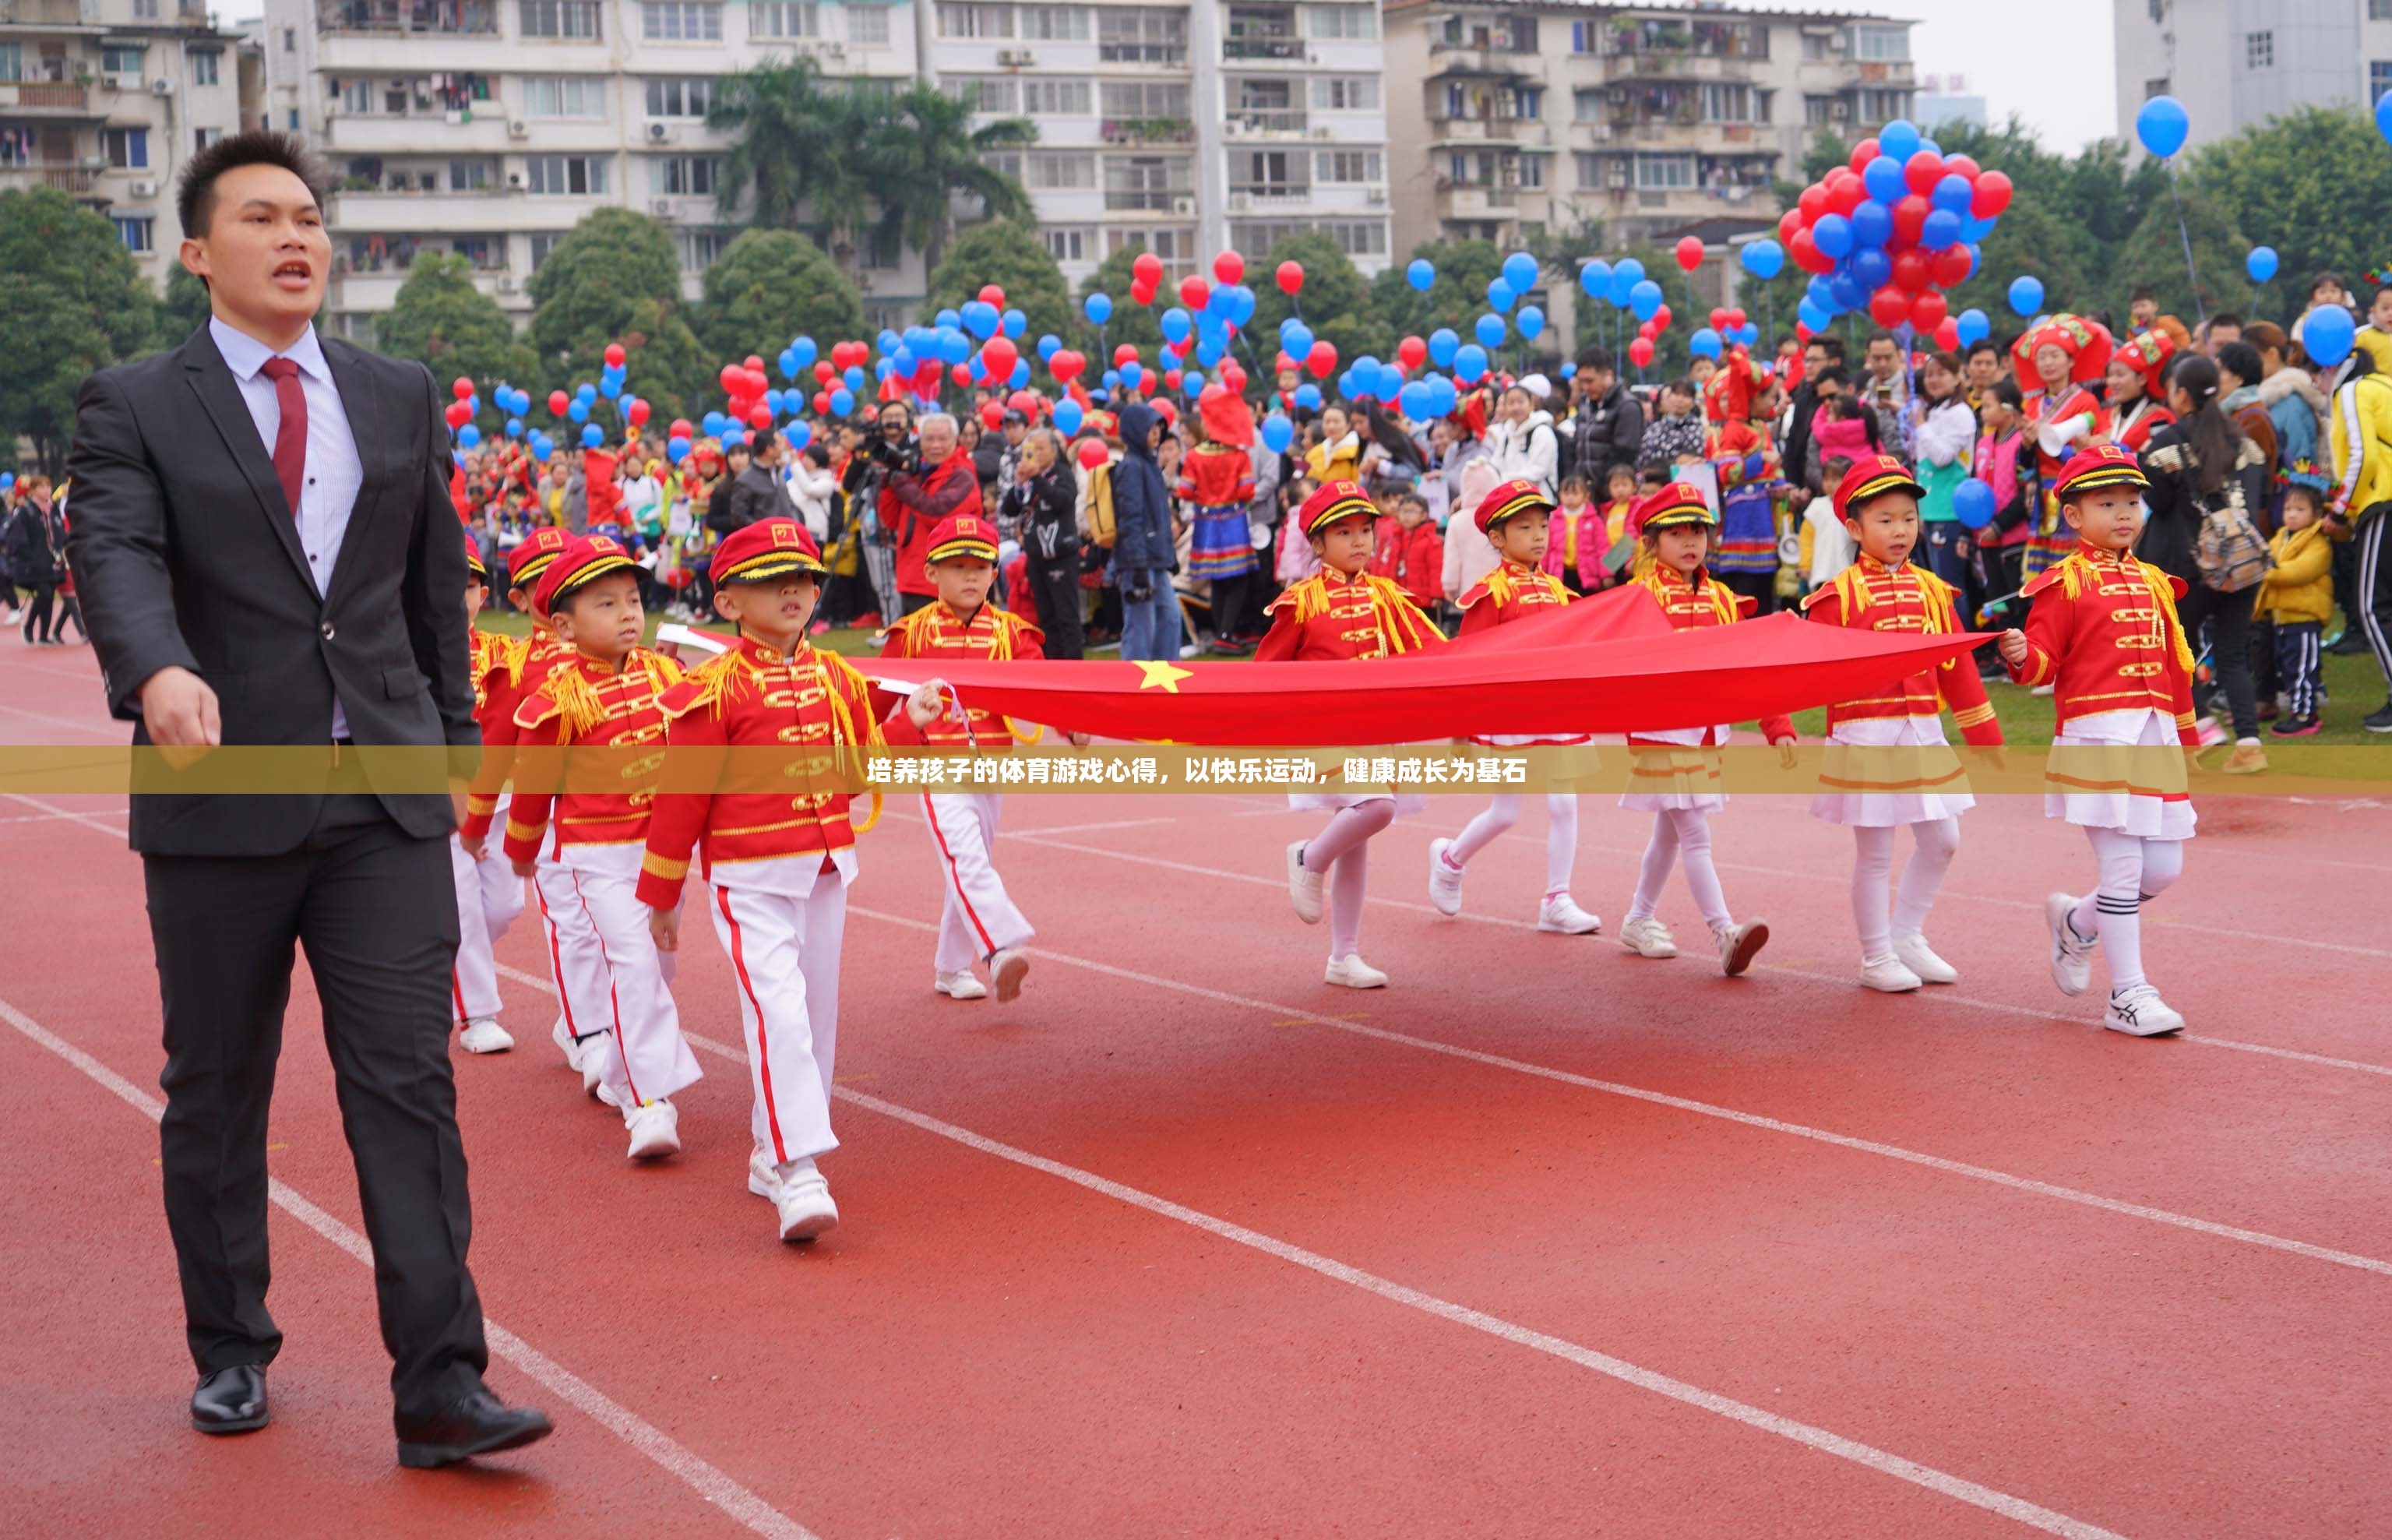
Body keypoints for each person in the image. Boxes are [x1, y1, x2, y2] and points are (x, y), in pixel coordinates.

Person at [62, 130, 548, 1462]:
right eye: (262, 216)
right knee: (218, 1084)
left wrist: (453, 737)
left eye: (312, 217)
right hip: (221, 796)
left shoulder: (396, 390)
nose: (297, 237)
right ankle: (230, 1346)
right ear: (195, 250)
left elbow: (428, 576)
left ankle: (441, 1380)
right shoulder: (137, 402)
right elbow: (114, 547)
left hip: (381, 798)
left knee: (406, 1081)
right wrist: (154, 667)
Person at [640, 516, 939, 1241]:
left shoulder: (837, 676)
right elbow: (683, 794)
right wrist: (663, 891)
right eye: (772, 581)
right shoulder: (709, 690)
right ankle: (794, 1163)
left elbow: (857, 763)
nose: (794, 591)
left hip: (826, 866)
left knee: (817, 1019)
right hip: (749, 875)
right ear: (730, 602)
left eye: (802, 577)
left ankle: (771, 1150)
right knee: (781, 1012)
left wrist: (911, 723)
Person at [1997, 446, 2201, 1037]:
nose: (2123, 513)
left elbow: (2173, 664)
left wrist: (2183, 731)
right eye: (2105, 503)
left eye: (2131, 502)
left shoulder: (2154, 582)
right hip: (2095, 737)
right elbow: (2042, 665)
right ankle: (2127, 993)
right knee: (2122, 865)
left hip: (2151, 737)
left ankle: (2076, 924)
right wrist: (2020, 655)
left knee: (2161, 868)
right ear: (2072, 516)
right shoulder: (2062, 584)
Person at [503, 535, 697, 1153]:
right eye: (606, 604)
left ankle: (617, 1070)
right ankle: (648, 1103)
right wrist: (522, 850)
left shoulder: (668, 675)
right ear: (563, 624)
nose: (628, 614)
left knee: (655, 968)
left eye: (633, 600)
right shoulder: (556, 700)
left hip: (663, 853)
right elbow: (534, 786)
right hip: (597, 856)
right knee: (637, 963)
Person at [1802, 456, 2005, 993]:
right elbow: (1807, 672)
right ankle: (1874, 957)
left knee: (1943, 839)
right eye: (1885, 519)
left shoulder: (1935, 592)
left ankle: (1906, 934)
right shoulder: (1835, 597)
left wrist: (1983, 732)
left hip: (1921, 732)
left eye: (1908, 518)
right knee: (1875, 853)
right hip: (1867, 735)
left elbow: (1956, 665)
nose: (1900, 530)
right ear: (1854, 528)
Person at [1259, 481, 1446, 988]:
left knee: (1358, 840)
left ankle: (1343, 955)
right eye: (1344, 533)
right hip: (1326, 729)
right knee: (1375, 807)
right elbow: (1265, 670)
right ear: (1317, 545)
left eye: (1365, 529)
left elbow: (1431, 650)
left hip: (1378, 727)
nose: (1360, 541)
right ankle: (1308, 857)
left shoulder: (1387, 595)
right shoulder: (1299, 602)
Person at [1612, 481, 1794, 975]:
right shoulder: (1637, 598)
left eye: (1699, 531)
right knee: (1694, 832)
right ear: (1652, 542)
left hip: (1705, 734)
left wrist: (1778, 725)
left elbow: (1748, 669)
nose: (1692, 542)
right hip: (1659, 732)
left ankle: (1638, 917)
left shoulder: (1722, 598)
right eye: (1677, 533)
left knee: (1670, 834)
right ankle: (1723, 932)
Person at [878, 513, 1050, 1003]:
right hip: (937, 766)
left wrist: (1073, 723)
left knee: (970, 864)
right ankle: (1000, 950)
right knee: (967, 860)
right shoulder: (909, 635)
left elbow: (1047, 693)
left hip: (992, 768)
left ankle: (950, 969)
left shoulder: (1015, 634)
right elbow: (870, 700)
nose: (970, 575)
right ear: (931, 573)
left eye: (980, 565)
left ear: (996, 572)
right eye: (957, 566)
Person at [1428, 478, 1601, 936]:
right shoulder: (1491, 594)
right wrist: (1460, 727)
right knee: (1505, 813)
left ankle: (1557, 899)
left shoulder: (1560, 591)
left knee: (1565, 803)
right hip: (1510, 716)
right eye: (1525, 527)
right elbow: (1468, 664)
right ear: (1498, 538)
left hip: (1557, 713)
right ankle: (1449, 859)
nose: (1539, 535)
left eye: (1543, 525)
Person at [2138, 354, 2270, 774]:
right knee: (2233, 656)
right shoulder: (2244, 442)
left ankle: (2201, 734)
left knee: (2179, 654)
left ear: (2180, 394)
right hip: (2241, 566)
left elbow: (2156, 502)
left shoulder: (2165, 446)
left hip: (2185, 569)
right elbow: (2256, 499)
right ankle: (2249, 745)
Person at [450, 535, 523, 1054]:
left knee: (502, 905)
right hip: (439, 798)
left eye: (470, 584)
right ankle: (478, 1013)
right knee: (463, 909)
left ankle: (443, 954)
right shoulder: (406, 652)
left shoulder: (504, 652)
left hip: (500, 801)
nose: (460, 595)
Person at [2017, 316, 2110, 582]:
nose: (2047, 363)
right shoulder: (2033, 404)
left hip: (2072, 490)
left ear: (2070, 361)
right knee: (2042, 575)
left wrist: (2051, 445)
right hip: (2041, 495)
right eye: (2042, 357)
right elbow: (2024, 464)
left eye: (2054, 355)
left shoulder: (2086, 401)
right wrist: (2026, 445)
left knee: (2072, 572)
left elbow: (2091, 453)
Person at [2329, 347, 2392, 724]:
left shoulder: (2353, 391)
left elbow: (2362, 456)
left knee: (2373, 606)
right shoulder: (2386, 384)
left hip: (2381, 501)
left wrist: (2341, 510)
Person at [1179, 390, 1260, 650]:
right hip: (1233, 521)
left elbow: (1184, 490)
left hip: (1205, 521)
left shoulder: (1193, 456)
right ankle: (1226, 635)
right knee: (1237, 579)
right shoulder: (1239, 456)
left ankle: (1220, 634)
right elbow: (1247, 491)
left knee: (1216, 579)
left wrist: (1204, 495)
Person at [2253, 475, 2333, 737]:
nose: (2292, 515)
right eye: (2288, 509)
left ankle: (2305, 715)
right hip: (2283, 616)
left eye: (2300, 510)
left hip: (2304, 617)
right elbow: (2267, 556)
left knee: (2302, 668)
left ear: (2316, 513)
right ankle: (2298, 708)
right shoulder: (2281, 537)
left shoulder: (2318, 543)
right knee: (2288, 667)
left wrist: (2266, 571)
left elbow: (2299, 571)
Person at [884, 412, 983, 617]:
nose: (935, 445)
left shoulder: (963, 475)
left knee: (942, 645)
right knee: (913, 644)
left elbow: (936, 514)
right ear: (920, 442)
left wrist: (901, 483)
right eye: (929, 439)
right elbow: (890, 519)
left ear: (955, 440)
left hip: (946, 577)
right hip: (911, 574)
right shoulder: (916, 472)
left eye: (942, 439)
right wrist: (887, 482)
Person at [1003, 426, 1083, 659]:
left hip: (1061, 554)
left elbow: (1061, 500)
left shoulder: (1062, 473)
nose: (1036, 454)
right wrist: (1019, 483)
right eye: (1032, 449)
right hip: (1036, 555)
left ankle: (1073, 667)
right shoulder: (1029, 479)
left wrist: (1037, 477)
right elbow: (1010, 510)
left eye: (1041, 448)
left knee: (1066, 615)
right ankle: (1051, 664)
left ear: (1054, 450)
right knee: (1045, 616)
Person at [1110, 401, 1181, 662]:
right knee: (1141, 626)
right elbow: (1131, 519)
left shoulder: (1149, 465)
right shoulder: (1131, 467)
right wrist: (1137, 565)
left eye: (1158, 428)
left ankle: (1166, 678)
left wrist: (1169, 557)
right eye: (1150, 427)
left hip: (1156, 559)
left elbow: (1160, 517)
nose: (1156, 433)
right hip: (1138, 560)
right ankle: (1133, 685)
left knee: (1170, 619)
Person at [1911, 350, 1979, 614]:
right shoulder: (1934, 412)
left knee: (1951, 585)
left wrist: (1921, 427)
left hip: (1950, 510)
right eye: (1930, 375)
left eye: (1942, 374)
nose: (1934, 380)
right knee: (1936, 584)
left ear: (1956, 377)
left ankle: (1962, 646)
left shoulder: (1960, 413)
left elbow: (1942, 457)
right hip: (1931, 508)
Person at [1558, 344, 1643, 488]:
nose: (1585, 387)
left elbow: (1623, 454)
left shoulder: (1628, 406)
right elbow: (1577, 447)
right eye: (1581, 381)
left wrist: (1599, 485)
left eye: (1590, 381)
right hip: (1584, 493)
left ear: (1609, 375)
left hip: (1614, 492)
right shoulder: (1585, 403)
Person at [5, 474, 65, 643]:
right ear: (32, 490)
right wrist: (29, 557)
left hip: (54, 559)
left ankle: (44, 635)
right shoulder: (26, 511)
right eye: (42, 487)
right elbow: (18, 538)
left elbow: (59, 531)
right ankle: (29, 624)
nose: (47, 490)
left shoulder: (53, 508)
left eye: (48, 486)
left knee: (50, 593)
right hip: (35, 562)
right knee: (45, 593)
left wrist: (61, 547)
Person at [2214, 341, 2280, 488]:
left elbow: (2251, 474)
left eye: (2220, 370)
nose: (2214, 377)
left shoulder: (2253, 417)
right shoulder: (2233, 410)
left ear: (2239, 379)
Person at [2104, 330, 2177, 455]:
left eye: (2120, 375)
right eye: (2110, 375)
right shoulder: (2104, 416)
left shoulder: (2160, 418)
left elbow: (2166, 460)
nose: (2113, 382)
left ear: (2142, 379)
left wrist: (2127, 454)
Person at [1482, 382, 1559, 494]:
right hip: (1510, 498)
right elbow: (1496, 464)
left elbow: (1536, 473)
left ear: (1531, 404)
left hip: (1538, 500)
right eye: (1511, 403)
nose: (1516, 407)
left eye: (1521, 402)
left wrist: (1503, 480)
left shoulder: (1542, 432)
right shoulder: (1507, 434)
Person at [1545, 471, 1607, 594]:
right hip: (1560, 573)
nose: (1570, 497)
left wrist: (1607, 575)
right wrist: (1541, 570)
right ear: (1560, 495)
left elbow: (1603, 547)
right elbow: (1546, 548)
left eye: (1575, 493)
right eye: (1566, 493)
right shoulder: (1554, 519)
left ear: (1586, 497)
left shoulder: (1594, 519)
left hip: (1587, 574)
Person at [1381, 490, 1444, 607]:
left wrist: (1437, 596)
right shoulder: (1396, 539)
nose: (1406, 515)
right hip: (1398, 597)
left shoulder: (1432, 541)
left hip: (1423, 600)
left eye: (1412, 511)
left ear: (1424, 516)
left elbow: (1436, 570)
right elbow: (1389, 567)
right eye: (1403, 511)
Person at [726, 428, 786, 532]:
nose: (783, 448)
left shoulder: (777, 473)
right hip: (762, 542)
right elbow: (738, 516)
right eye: (779, 444)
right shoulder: (745, 480)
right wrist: (763, 530)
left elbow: (788, 504)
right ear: (769, 450)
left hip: (785, 540)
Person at [1637, 379, 1706, 468]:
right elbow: (1643, 457)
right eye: (1676, 394)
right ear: (1669, 397)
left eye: (1686, 396)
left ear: (1693, 403)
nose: (1680, 399)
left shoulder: (1697, 429)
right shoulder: (1655, 427)